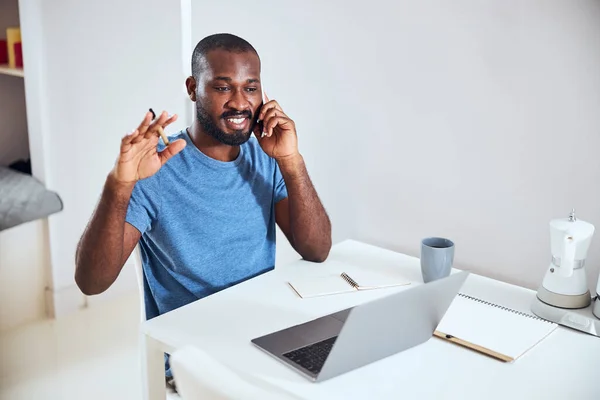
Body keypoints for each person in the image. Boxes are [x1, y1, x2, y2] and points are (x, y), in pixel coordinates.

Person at [74, 33, 332, 386]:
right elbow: (91, 282)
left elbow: (317, 250)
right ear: (193, 88)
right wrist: (119, 184)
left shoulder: (265, 156)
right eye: (223, 88)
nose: (240, 103)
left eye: (251, 88)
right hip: (196, 356)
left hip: (263, 337)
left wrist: (291, 160)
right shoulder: (156, 168)